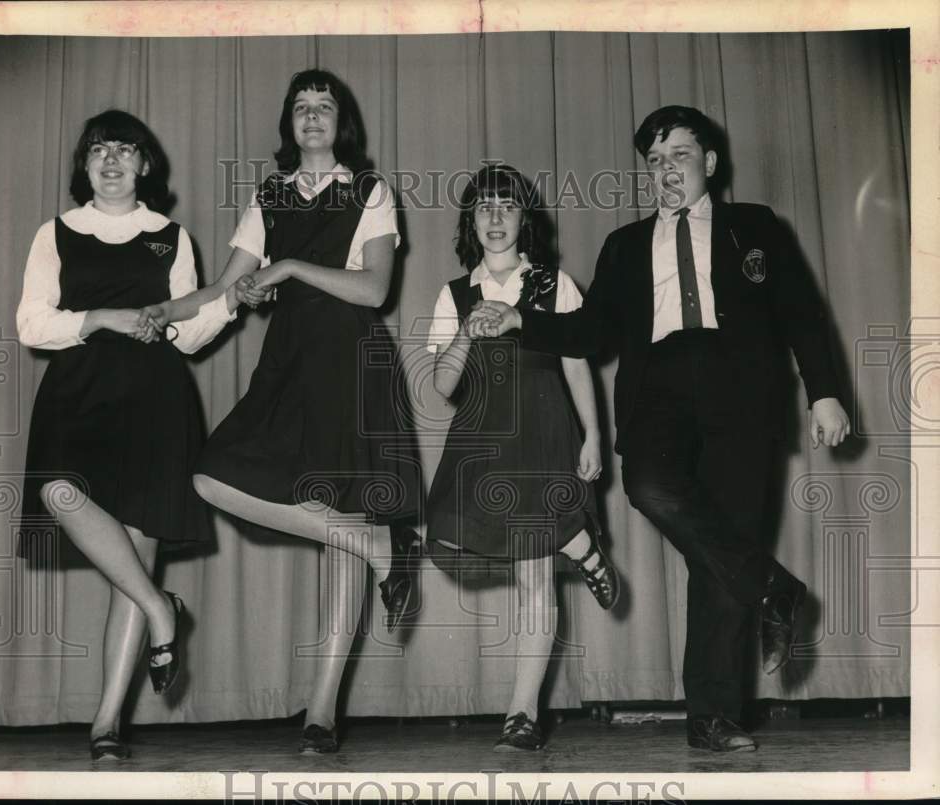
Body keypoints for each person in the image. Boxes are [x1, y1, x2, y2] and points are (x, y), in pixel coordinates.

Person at [468, 106, 850, 752]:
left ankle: (712, 715)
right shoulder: (624, 246)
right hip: (660, 391)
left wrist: (827, 393)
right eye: (655, 160)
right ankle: (774, 587)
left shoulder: (754, 227)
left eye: (680, 154)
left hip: (743, 392)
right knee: (650, 485)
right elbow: (592, 333)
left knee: (716, 552)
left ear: (710, 164)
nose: (667, 169)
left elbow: (801, 313)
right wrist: (518, 322)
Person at [142, 69, 419, 754]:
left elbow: (377, 288)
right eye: (301, 106)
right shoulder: (268, 196)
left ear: (341, 120)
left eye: (324, 106)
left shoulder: (370, 191)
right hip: (288, 366)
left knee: (340, 529)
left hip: (352, 360)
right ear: (289, 123)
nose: (313, 115)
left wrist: (289, 267)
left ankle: (321, 712)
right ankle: (387, 548)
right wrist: (159, 310)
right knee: (213, 475)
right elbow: (224, 287)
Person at [16, 110, 236, 762]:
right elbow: (32, 322)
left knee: (129, 571)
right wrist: (104, 316)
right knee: (58, 490)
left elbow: (187, 331)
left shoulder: (170, 236)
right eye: (98, 151)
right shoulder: (56, 233)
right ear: (84, 166)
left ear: (145, 164)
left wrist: (226, 302)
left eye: (124, 150)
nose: (110, 160)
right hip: (77, 395)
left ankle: (107, 722)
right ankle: (164, 610)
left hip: (154, 401)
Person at [425, 164, 619, 752]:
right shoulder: (454, 293)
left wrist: (592, 434)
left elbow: (577, 361)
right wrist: (467, 331)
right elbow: (442, 386)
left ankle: (522, 713)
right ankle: (579, 543)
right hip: (481, 441)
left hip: (542, 434)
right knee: (451, 540)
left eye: (506, 206)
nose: (495, 217)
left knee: (534, 579)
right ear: (470, 223)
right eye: (483, 207)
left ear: (523, 219)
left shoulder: (553, 285)